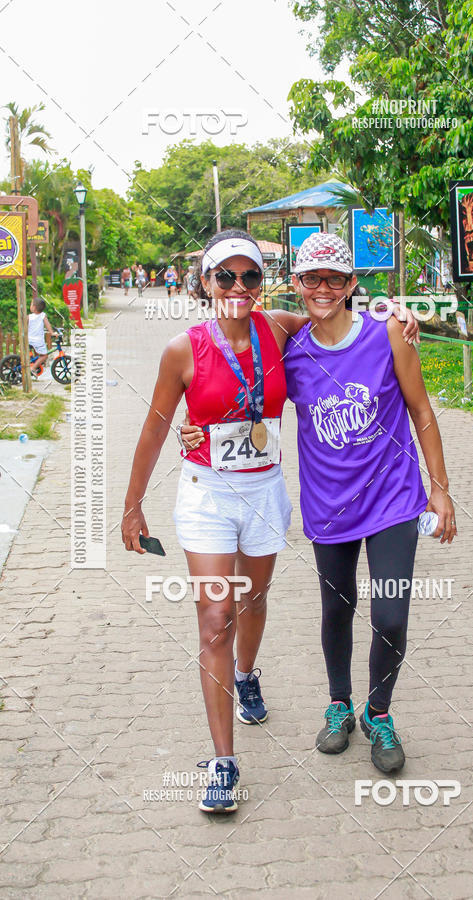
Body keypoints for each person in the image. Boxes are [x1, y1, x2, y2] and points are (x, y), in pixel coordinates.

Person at [121, 230, 314, 814]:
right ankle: (224, 763)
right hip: (206, 495)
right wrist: (132, 506)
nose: (237, 287)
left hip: (263, 492)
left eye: (249, 276)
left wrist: (400, 317)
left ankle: (248, 675)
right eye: (224, 276)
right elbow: (156, 428)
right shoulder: (183, 348)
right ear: (204, 283)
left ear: (262, 283)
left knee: (254, 600)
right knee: (216, 617)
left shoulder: (279, 327)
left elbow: (340, 317)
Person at [283, 232, 456, 774]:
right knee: (338, 608)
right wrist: (193, 429)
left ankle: (378, 711)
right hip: (328, 504)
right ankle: (339, 705)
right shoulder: (292, 352)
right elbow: (242, 383)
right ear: (297, 284)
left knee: (392, 614)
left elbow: (421, 409)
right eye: (312, 278)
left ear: (352, 283)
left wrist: (441, 487)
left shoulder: (388, 335)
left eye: (335, 278)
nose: (324, 288)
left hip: (393, 501)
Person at [28, 298, 57, 376]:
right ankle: (33, 368)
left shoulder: (29, 317)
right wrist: (52, 333)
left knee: (36, 354)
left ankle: (32, 365)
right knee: (44, 356)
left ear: (34, 307)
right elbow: (47, 325)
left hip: (29, 339)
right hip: (38, 340)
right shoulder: (42, 315)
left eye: (31, 304)